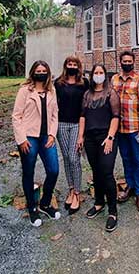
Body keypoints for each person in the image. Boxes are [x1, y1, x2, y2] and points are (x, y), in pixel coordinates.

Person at [12, 60, 60, 227]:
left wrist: (53, 135)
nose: (41, 73)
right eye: (38, 70)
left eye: (43, 70)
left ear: (47, 73)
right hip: (29, 138)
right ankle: (32, 207)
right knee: (29, 172)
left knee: (53, 170)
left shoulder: (51, 91)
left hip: (46, 137)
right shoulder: (25, 91)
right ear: (33, 72)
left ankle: (45, 203)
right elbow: (16, 116)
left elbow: (55, 115)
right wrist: (22, 139)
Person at [77, 64, 121, 232]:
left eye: (101, 72)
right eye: (96, 72)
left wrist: (110, 137)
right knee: (96, 172)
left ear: (105, 75)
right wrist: (80, 136)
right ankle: (99, 202)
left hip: (106, 137)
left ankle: (113, 211)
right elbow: (82, 116)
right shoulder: (87, 95)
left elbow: (116, 117)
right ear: (91, 75)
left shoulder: (111, 93)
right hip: (90, 138)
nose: (98, 75)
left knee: (106, 172)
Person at [111, 51, 139, 212]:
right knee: (126, 159)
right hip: (119, 129)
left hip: (134, 128)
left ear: (133, 62)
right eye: (124, 61)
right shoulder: (114, 79)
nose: (127, 63)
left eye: (129, 61)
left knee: (138, 160)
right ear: (120, 62)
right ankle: (130, 186)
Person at [54, 56, 89, 215]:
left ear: (78, 66)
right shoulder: (58, 83)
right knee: (67, 158)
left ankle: (77, 192)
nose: (72, 66)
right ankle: (70, 188)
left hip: (77, 123)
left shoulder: (84, 83)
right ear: (65, 65)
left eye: (75, 64)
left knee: (74, 157)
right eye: (69, 64)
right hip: (61, 124)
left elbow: (87, 104)